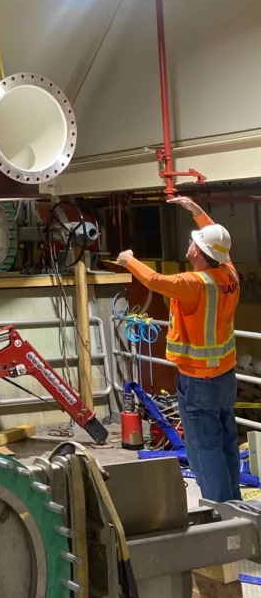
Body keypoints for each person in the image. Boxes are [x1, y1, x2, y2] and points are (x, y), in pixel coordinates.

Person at [117, 196, 240, 503]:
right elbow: (219, 242)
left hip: (198, 381)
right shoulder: (228, 274)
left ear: (197, 251)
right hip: (225, 377)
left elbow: (155, 281)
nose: (189, 244)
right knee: (225, 443)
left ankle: (220, 513)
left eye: (192, 241)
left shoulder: (194, 283)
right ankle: (234, 505)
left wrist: (128, 259)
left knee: (204, 449)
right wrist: (198, 212)